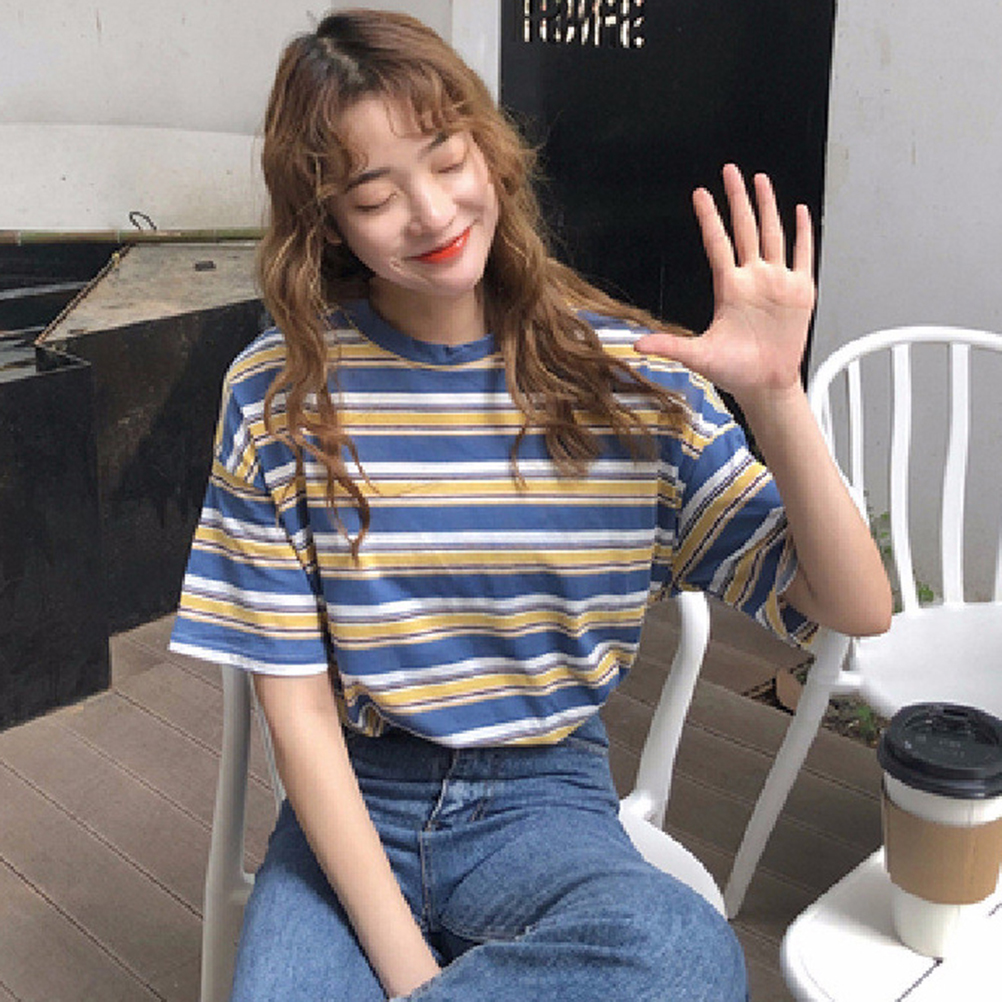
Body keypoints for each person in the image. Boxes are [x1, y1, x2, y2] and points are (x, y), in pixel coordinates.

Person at [170, 9, 892, 1001]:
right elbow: (297, 718)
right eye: (375, 194)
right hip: (355, 799)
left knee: (684, 958)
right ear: (328, 221)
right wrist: (414, 976)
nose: (431, 212)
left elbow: (856, 606)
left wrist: (776, 396)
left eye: (445, 157)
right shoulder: (279, 396)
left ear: (490, 152)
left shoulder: (627, 379)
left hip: (544, 801)